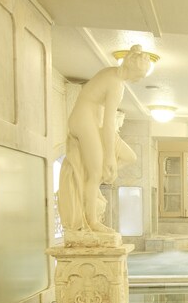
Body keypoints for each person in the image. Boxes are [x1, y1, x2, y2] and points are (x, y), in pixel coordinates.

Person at [59, 45, 150, 234]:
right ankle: (92, 221)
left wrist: (109, 162)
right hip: (84, 120)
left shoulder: (111, 74)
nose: (140, 79)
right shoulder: (116, 84)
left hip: (92, 120)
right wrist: (109, 157)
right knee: (94, 173)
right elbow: (109, 124)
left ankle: (94, 185)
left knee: (129, 157)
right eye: (140, 74)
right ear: (132, 68)